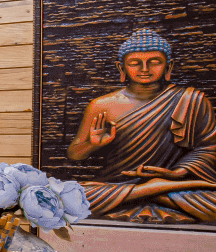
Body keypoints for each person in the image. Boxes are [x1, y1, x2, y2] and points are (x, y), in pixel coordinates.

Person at [65, 28, 216, 222]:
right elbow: (75, 153)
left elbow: (209, 148)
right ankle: (152, 190)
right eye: (135, 63)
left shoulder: (191, 100)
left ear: (169, 66)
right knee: (65, 198)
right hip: (116, 185)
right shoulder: (101, 105)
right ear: (122, 68)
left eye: (155, 62)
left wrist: (178, 173)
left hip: (166, 188)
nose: (145, 69)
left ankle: (152, 190)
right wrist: (92, 144)